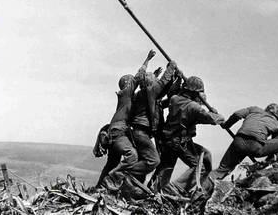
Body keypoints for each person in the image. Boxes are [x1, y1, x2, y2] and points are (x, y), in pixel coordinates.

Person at [149, 76, 225, 193]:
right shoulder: (194, 107)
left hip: (169, 139)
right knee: (200, 167)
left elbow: (187, 106)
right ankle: (175, 189)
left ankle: (153, 190)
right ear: (195, 93)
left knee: (168, 166)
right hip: (179, 141)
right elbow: (213, 119)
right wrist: (216, 114)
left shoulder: (174, 99)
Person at [110, 59, 178, 183]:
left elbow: (163, 89)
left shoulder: (143, 94)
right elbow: (162, 83)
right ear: (150, 83)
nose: (156, 82)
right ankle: (120, 174)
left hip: (140, 132)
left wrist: (175, 78)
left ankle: (130, 185)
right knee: (153, 160)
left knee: (145, 160)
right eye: (154, 80)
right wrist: (171, 66)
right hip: (141, 133)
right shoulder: (148, 92)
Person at [95, 50, 156, 187]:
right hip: (118, 132)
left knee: (112, 162)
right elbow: (139, 76)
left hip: (115, 132)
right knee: (132, 156)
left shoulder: (127, 97)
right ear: (128, 84)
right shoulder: (127, 93)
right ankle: (112, 179)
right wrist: (147, 59)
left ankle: (99, 187)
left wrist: (153, 77)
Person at [210, 103, 278, 180]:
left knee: (222, 170)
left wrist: (227, 125)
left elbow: (237, 114)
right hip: (256, 147)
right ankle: (266, 165)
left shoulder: (254, 109)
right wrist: (267, 161)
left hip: (238, 142)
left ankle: (205, 182)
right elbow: (275, 145)